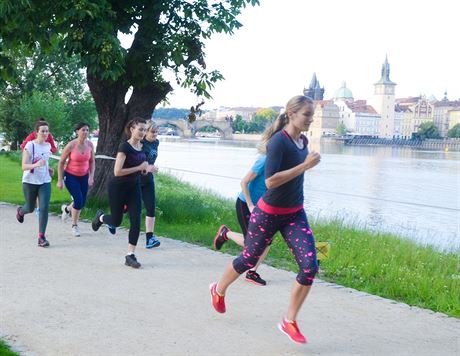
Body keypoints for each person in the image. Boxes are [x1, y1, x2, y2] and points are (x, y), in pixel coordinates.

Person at [209, 95, 321, 345]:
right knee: (249, 259)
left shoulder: (302, 141)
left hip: (295, 213)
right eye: (307, 115)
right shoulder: (277, 143)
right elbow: (270, 181)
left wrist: (304, 165)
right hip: (268, 213)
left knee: (310, 266)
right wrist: (305, 166)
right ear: (291, 114)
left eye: (312, 115)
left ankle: (289, 321)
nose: (311, 120)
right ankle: (218, 289)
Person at [91, 118, 156, 268]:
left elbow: (142, 170)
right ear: (132, 129)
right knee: (116, 221)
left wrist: (148, 169)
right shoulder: (124, 147)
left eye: (145, 130)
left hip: (134, 187)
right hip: (118, 187)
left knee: (136, 221)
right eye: (140, 129)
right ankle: (100, 217)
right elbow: (118, 171)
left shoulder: (143, 147)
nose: (143, 132)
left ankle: (130, 255)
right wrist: (140, 167)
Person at [213, 145, 271, 286]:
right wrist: (251, 205)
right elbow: (244, 182)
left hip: (262, 208)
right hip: (245, 204)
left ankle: (252, 272)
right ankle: (226, 233)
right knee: (251, 244)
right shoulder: (264, 160)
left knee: (267, 240)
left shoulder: (280, 164)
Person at [16, 120, 53, 247]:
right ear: (36, 132)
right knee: (30, 208)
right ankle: (21, 211)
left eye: (47, 131)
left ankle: (41, 237)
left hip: (45, 181)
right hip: (30, 181)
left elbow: (45, 161)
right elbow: (24, 166)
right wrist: (36, 165)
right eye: (42, 131)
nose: (45, 133)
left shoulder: (48, 146)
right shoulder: (30, 146)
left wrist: (48, 169)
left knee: (44, 208)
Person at [57, 122, 95, 236]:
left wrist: (91, 176)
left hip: (84, 176)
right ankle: (74, 225)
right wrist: (59, 180)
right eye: (83, 130)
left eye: (87, 130)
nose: (85, 132)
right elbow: (61, 162)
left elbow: (92, 161)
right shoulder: (71, 145)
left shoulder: (90, 145)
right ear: (77, 131)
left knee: (82, 202)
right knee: (78, 201)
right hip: (71, 176)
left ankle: (67, 209)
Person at [141, 121, 160, 248]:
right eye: (152, 132)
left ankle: (149, 238)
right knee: (124, 209)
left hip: (148, 180)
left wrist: (152, 168)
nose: (155, 134)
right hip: (136, 179)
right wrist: (147, 166)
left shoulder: (156, 142)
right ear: (146, 132)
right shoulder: (141, 144)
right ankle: (103, 218)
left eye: (156, 132)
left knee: (151, 207)